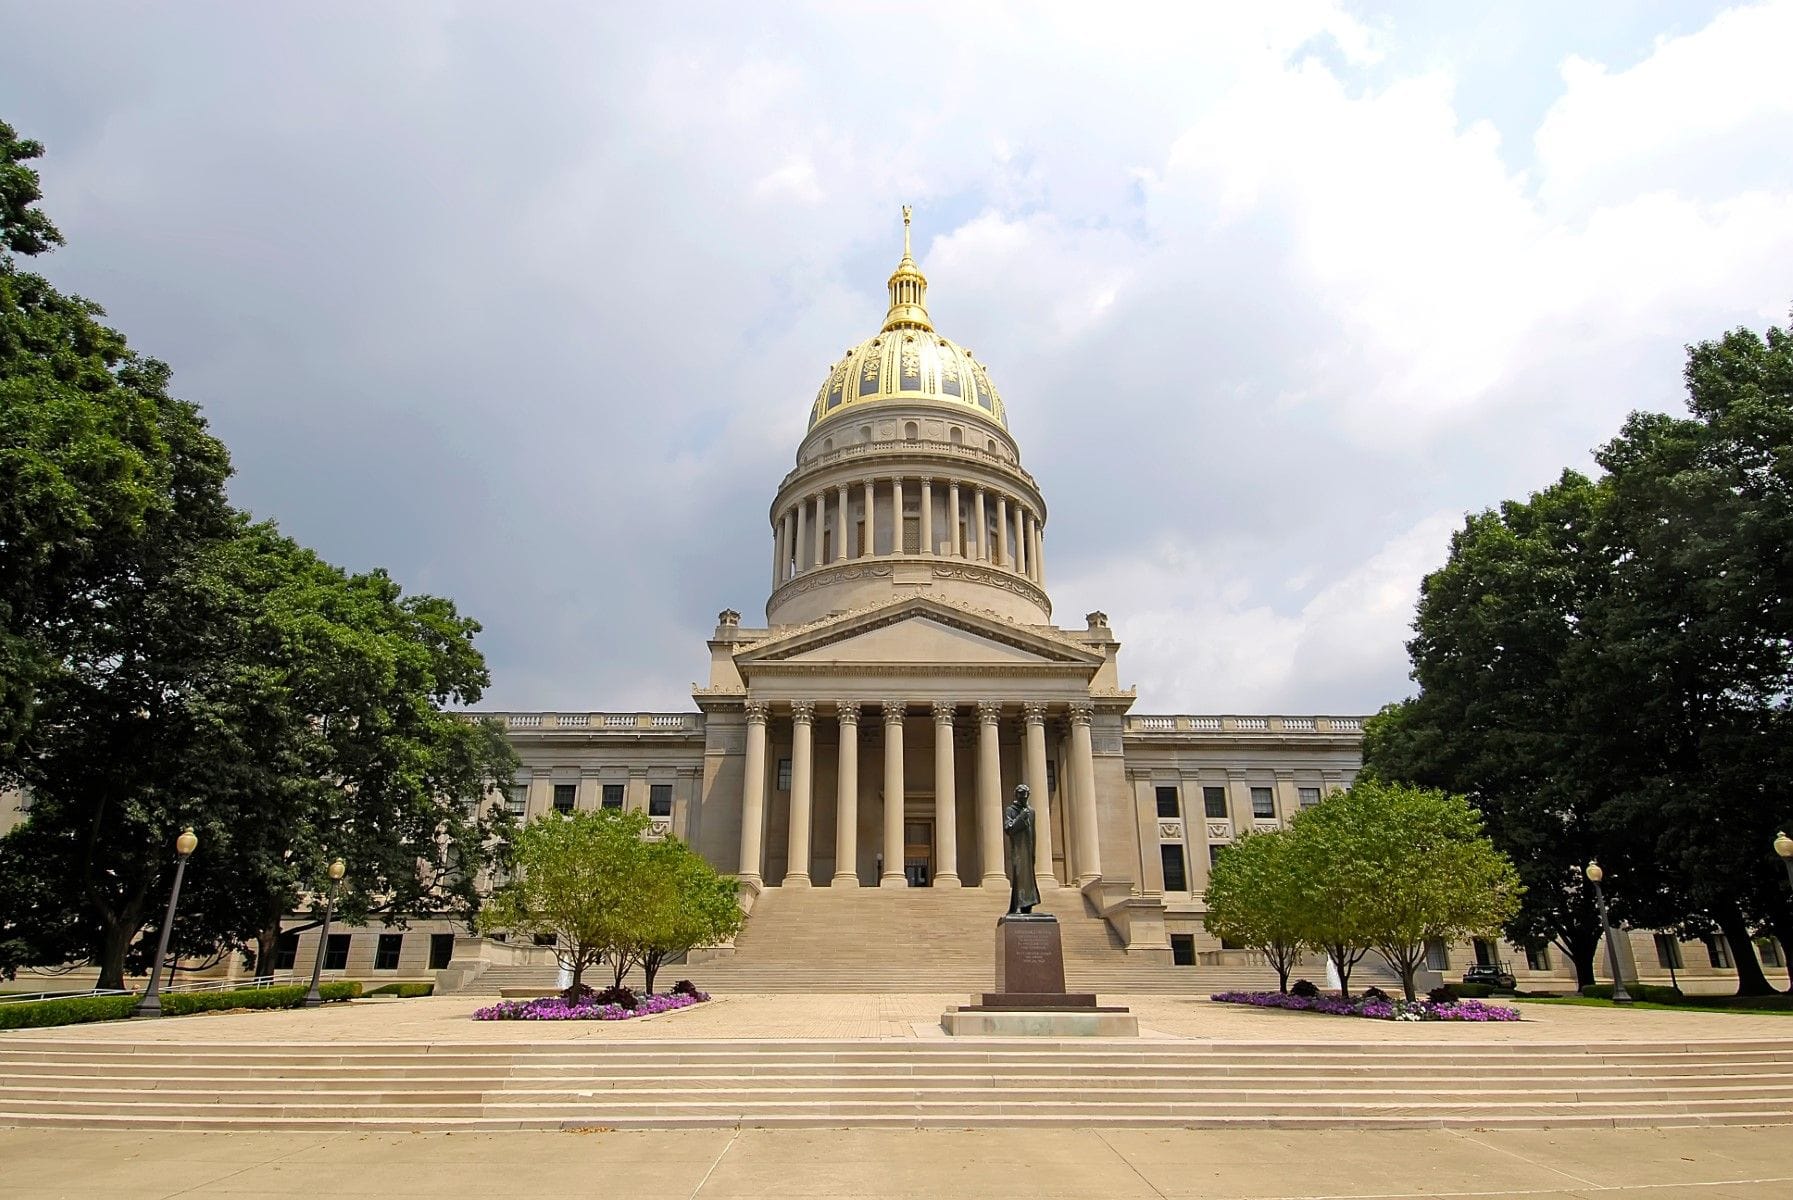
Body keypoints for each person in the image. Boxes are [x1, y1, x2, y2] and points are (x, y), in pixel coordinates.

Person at [1004, 784, 1042, 914]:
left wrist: (1033, 852)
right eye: (1020, 794)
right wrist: (1021, 817)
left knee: (1028, 878)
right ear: (1016, 795)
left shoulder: (1031, 812)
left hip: (1028, 849)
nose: (1023, 797)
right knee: (1020, 876)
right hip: (1018, 849)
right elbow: (1009, 828)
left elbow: (1033, 833)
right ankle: (1019, 904)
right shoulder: (1011, 810)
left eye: (1025, 794)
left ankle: (1027, 904)